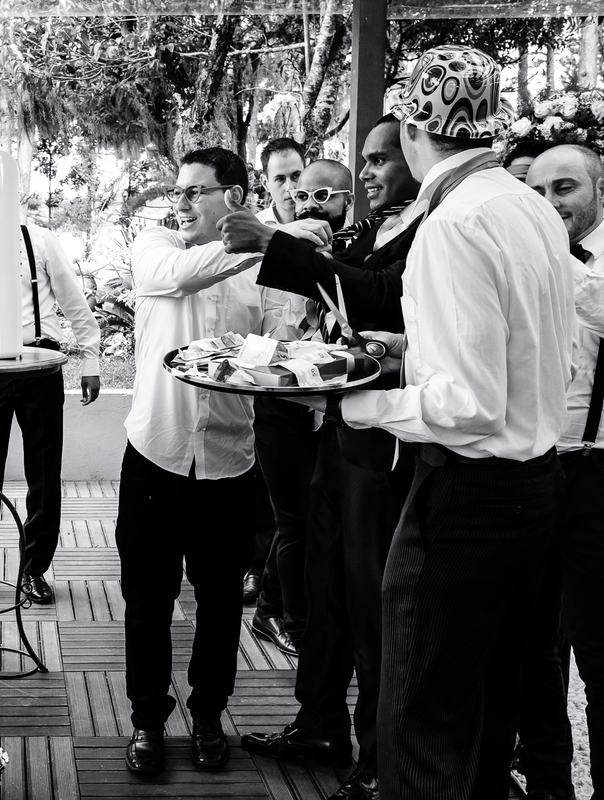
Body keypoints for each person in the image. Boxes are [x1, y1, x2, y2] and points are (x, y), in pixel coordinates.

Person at [325, 47, 573, 800]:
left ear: (409, 129)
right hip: (537, 493)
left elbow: (468, 404)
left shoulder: (452, 223)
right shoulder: (526, 205)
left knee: (422, 723)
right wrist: (408, 350)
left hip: (467, 503)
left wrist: (352, 402)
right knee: (492, 719)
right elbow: (524, 350)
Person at [222, 114, 422, 800]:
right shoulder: (370, 230)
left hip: (385, 444)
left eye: (380, 159)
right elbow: (340, 294)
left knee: (370, 603)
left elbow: (379, 298)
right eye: (363, 160)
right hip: (335, 435)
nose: (367, 172)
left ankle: (375, 756)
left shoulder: (429, 231)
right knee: (322, 582)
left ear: (419, 154)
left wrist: (277, 240)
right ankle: (319, 724)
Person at [118, 146, 328, 775]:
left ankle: (208, 715)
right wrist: (275, 238)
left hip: (232, 465)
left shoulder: (261, 268)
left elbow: (283, 346)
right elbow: (184, 277)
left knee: (218, 604)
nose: (180, 203)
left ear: (234, 197)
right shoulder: (154, 245)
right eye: (178, 191)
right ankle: (148, 721)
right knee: (146, 600)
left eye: (196, 192)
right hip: (155, 457)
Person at [0, 194, 101, 607]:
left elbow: (74, 301)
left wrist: (90, 358)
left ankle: (33, 569)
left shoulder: (40, 239)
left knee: (43, 473)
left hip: (40, 365)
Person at [520, 143, 604, 800]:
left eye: (565, 187)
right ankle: (549, 783)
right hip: (528, 471)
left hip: (596, 479)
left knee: (598, 655)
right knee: (530, 648)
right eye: (537, 190)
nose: (550, 203)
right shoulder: (528, 259)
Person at [245, 156, 353, 657]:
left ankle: (279, 605)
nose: (306, 201)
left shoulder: (358, 255)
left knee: (317, 520)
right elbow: (251, 333)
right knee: (295, 521)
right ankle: (283, 617)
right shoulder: (269, 257)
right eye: (298, 193)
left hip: (334, 409)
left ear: (347, 201)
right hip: (282, 404)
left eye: (320, 195)